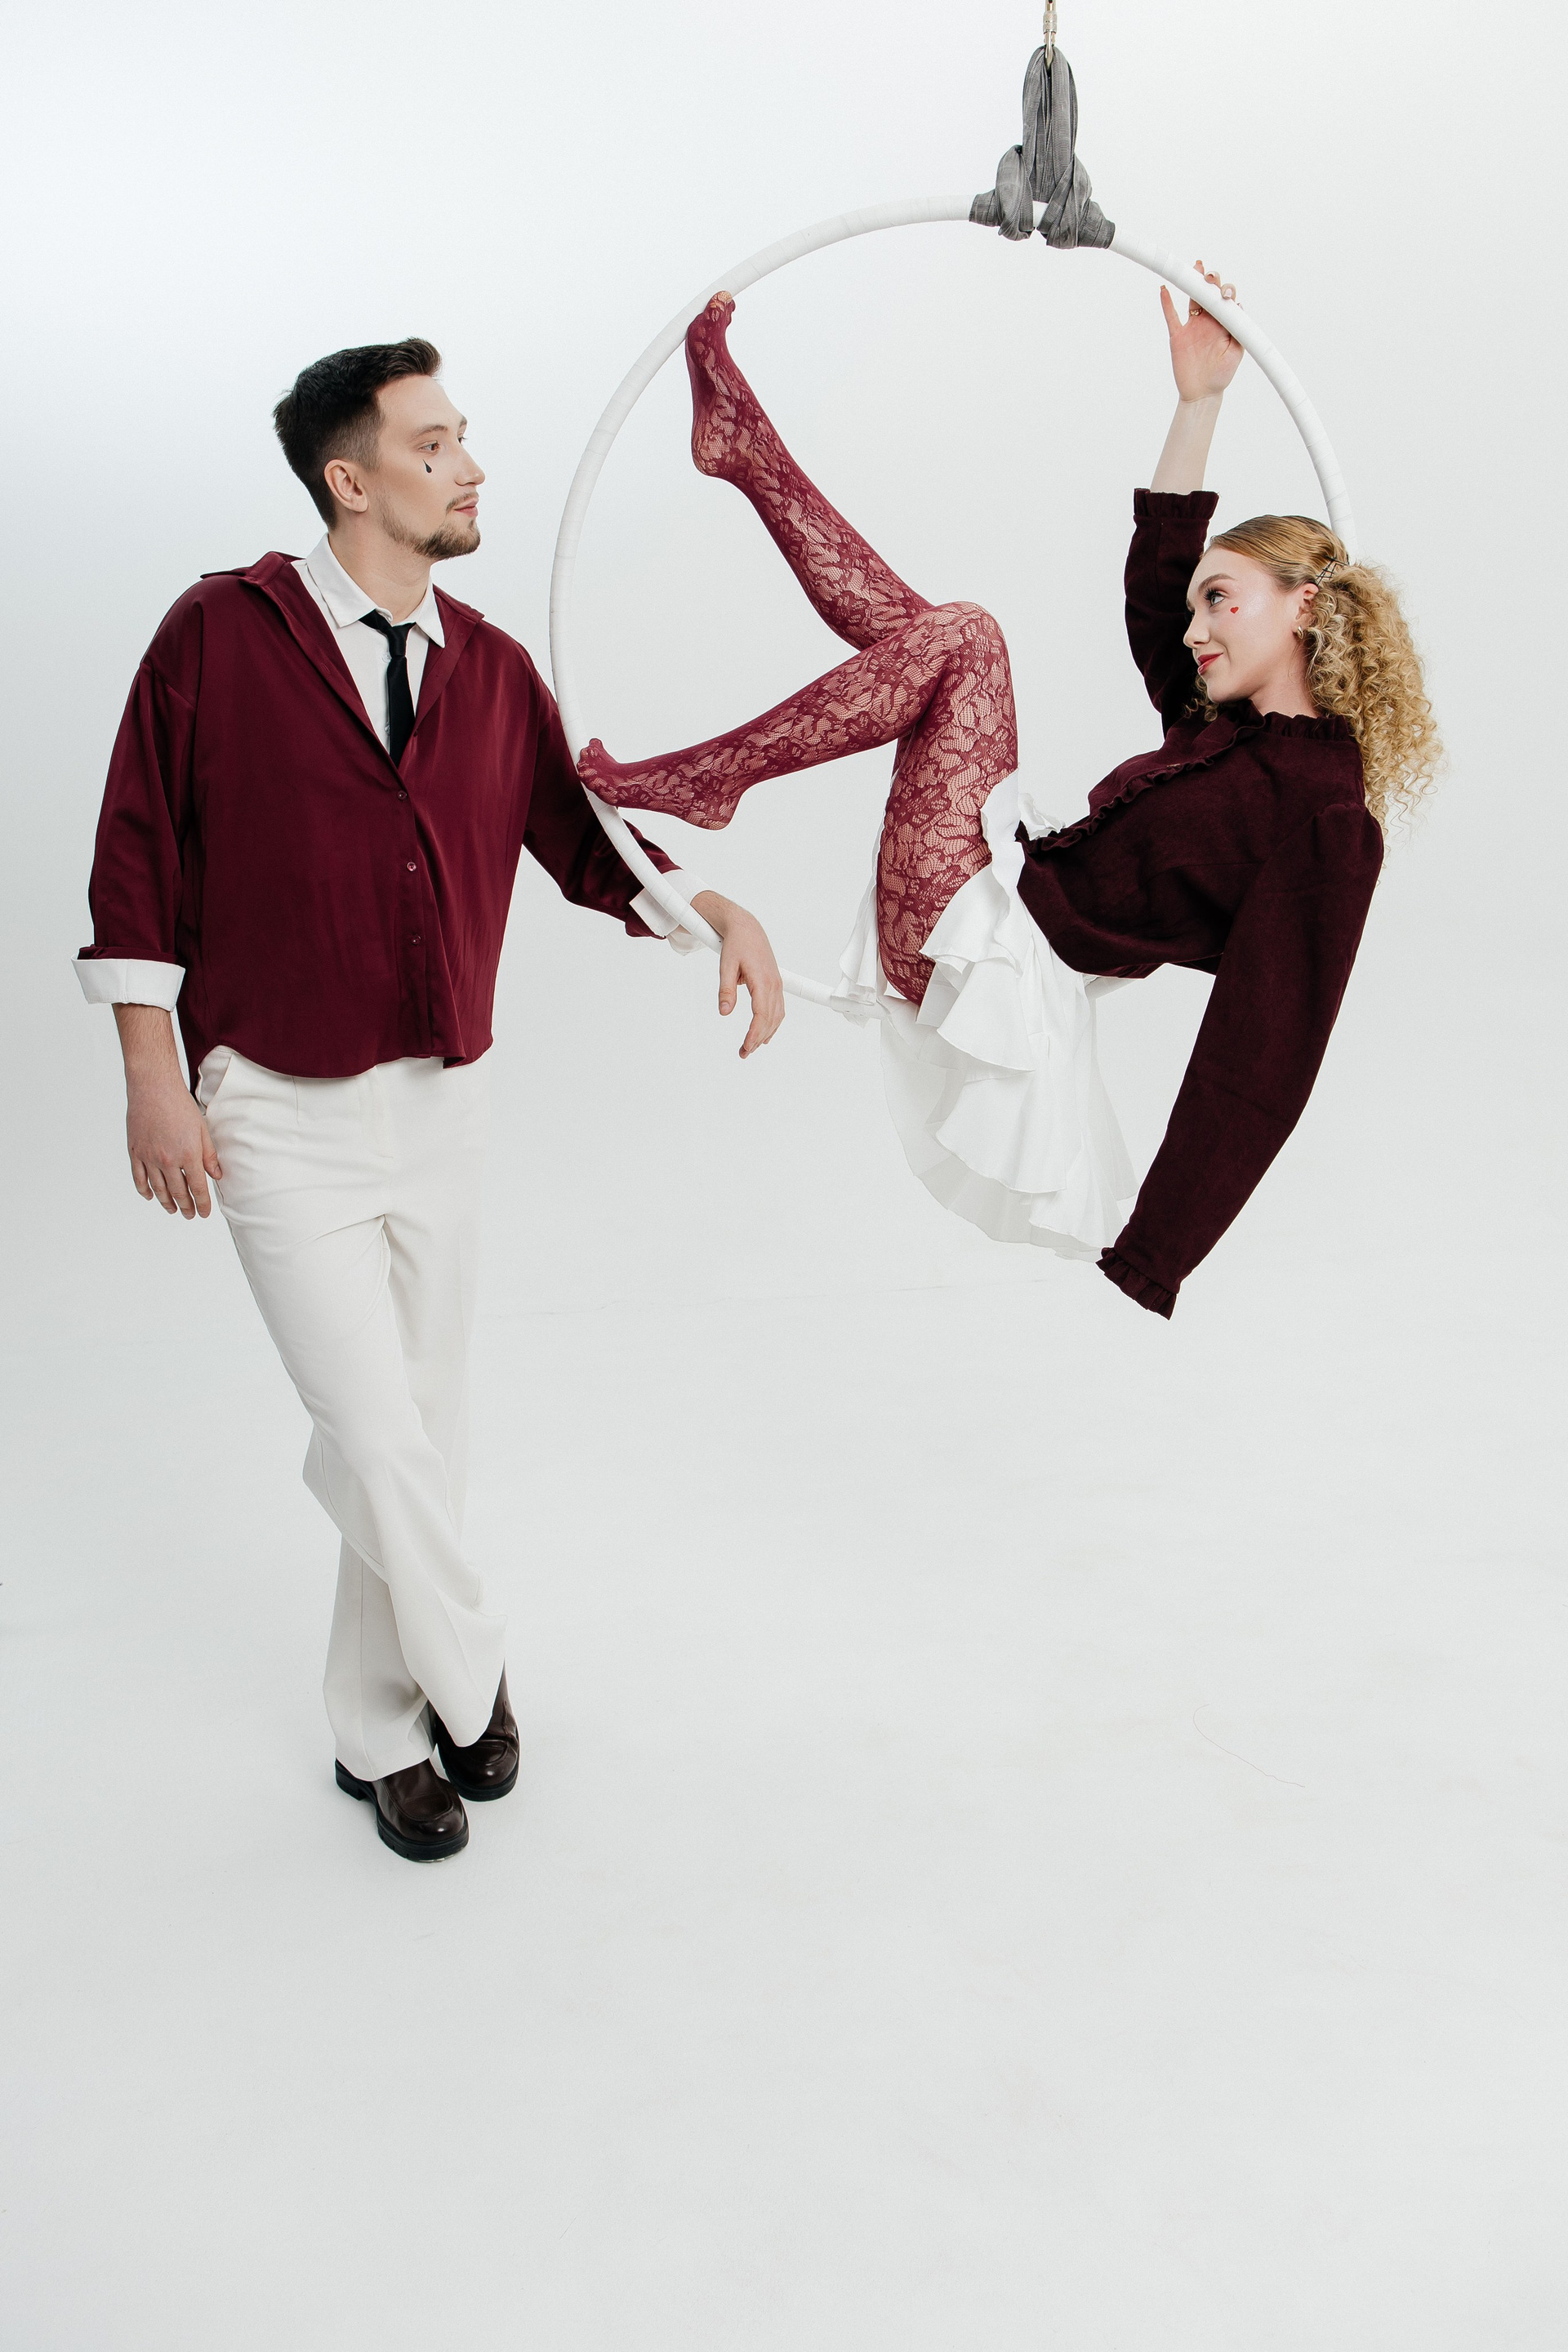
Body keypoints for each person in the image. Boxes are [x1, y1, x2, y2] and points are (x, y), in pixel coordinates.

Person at [76, 336, 784, 1863]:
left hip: (442, 1100)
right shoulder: (219, 633)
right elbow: (137, 847)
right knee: (378, 1434)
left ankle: (375, 1732)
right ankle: (472, 1673)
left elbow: (583, 845)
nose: (470, 468)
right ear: (352, 480)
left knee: (416, 1430)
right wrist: (150, 1072)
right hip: (270, 1101)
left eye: (464, 438)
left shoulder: (493, 670)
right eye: (435, 444)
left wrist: (708, 908)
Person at [577, 275, 1441, 1317]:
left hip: (989, 956)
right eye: (1197, 606)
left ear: (1305, 607)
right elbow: (1153, 592)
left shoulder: (1324, 817)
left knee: (966, 638)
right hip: (983, 897)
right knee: (928, 636)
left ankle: (714, 776)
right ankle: (746, 453)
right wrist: (1199, 403)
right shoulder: (1227, 733)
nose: (1195, 628)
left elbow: (1269, 1046)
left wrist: (1158, 1250)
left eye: (1221, 601)